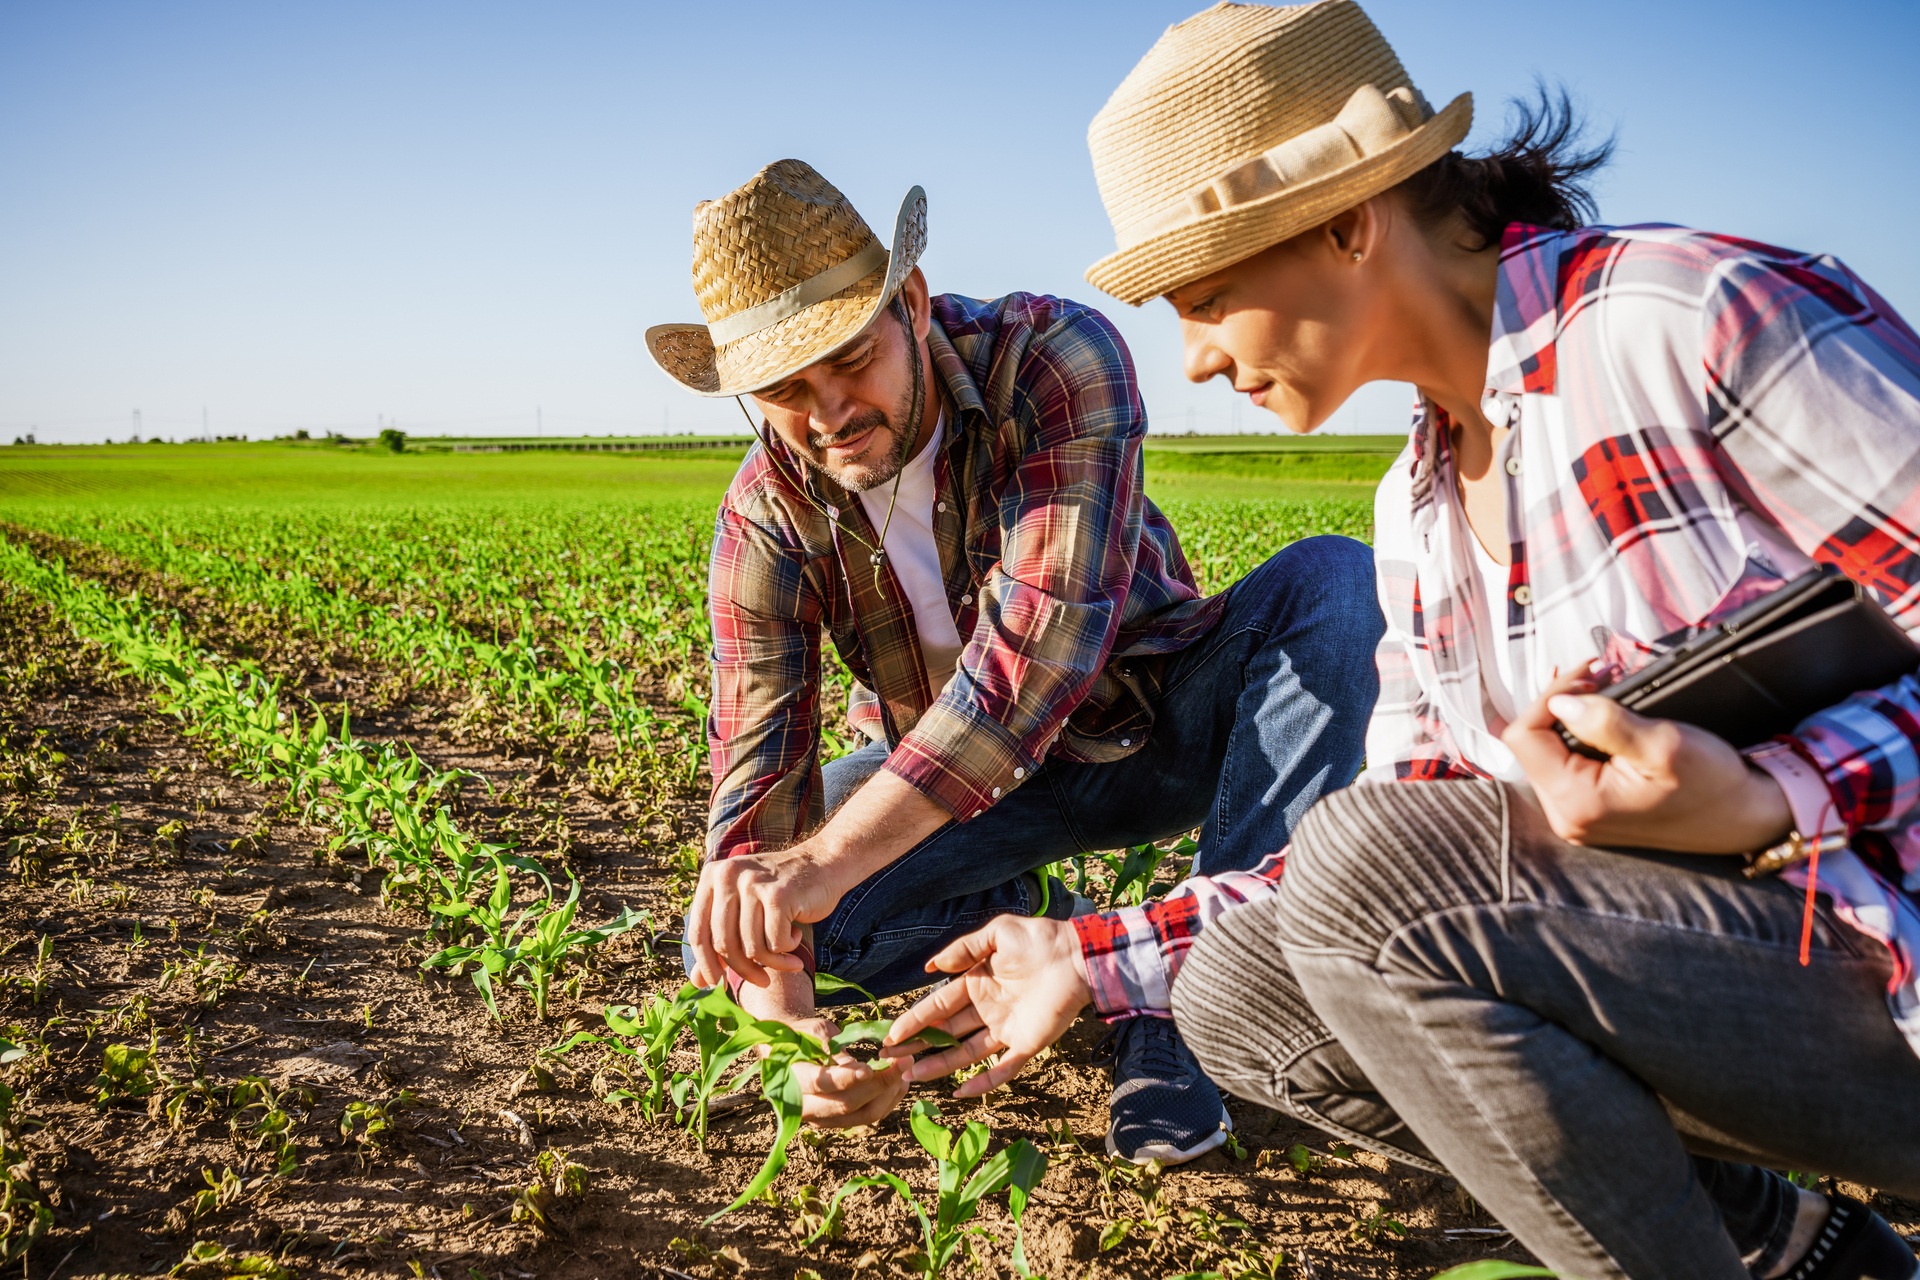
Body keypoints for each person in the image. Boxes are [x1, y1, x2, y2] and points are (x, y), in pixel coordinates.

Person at [881, 4, 1920, 1278]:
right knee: (1241, 994)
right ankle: (1794, 1245)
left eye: (1205, 299)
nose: (1195, 358)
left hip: (1884, 966)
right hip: (1721, 981)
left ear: (1346, 219)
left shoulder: (1691, 320)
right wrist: (1092, 960)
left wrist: (1774, 794)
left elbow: (1392, 870)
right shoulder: (1417, 507)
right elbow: (1398, 854)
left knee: (1368, 871)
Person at [644, 159, 1382, 1162]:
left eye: (851, 359)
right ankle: (1061, 933)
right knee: (724, 933)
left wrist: (817, 862)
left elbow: (1032, 666)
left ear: (909, 300)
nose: (828, 414)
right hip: (962, 793)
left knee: (1334, 584)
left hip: (1154, 725)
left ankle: (1183, 1006)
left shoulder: (1049, 357)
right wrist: (787, 1030)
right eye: (783, 390)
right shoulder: (767, 516)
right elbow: (756, 783)